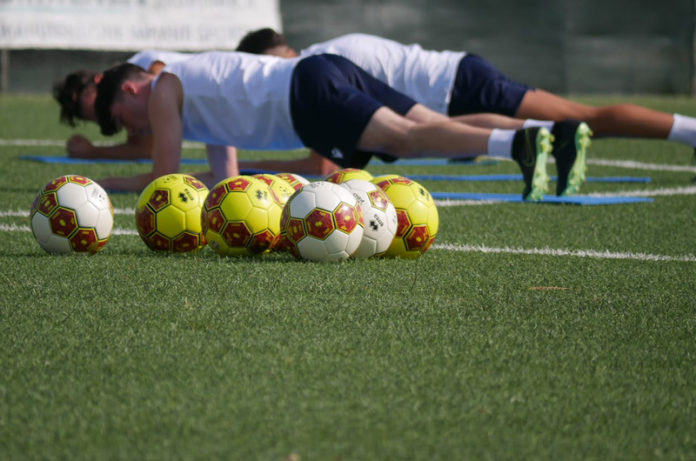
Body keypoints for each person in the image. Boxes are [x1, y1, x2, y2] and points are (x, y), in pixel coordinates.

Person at [91, 51, 590, 199]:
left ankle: (516, 144)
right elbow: (226, 180)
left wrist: (106, 183)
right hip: (319, 74)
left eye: (120, 119)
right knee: (435, 124)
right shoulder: (195, 99)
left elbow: (165, 179)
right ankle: (551, 131)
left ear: (130, 91)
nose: (132, 129)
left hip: (306, 96)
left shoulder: (163, 89)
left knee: (406, 140)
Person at [237, 28, 696, 156]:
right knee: (574, 122)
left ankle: (691, 131)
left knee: (584, 117)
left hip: (460, 84)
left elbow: (321, 163)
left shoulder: (319, 68)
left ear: (273, 57)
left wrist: (236, 173)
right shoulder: (324, 58)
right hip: (454, 86)